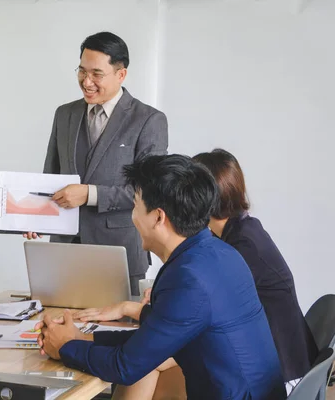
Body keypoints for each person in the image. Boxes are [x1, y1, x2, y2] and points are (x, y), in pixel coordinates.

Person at [36, 155, 286, 400]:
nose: (132, 216)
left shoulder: (190, 279)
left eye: (135, 205)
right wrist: (81, 338)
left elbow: (126, 367)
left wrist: (65, 347)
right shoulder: (217, 253)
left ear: (158, 217)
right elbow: (152, 339)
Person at [26, 31, 168, 295]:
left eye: (96, 74)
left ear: (121, 74)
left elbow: (148, 191)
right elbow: (50, 175)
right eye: (81, 71)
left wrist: (89, 194)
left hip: (119, 250)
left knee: (117, 331)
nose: (86, 81)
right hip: (63, 250)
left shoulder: (149, 120)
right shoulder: (64, 114)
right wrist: (36, 217)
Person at [194, 148, 317, 393]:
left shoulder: (243, 245)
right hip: (280, 364)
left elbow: (206, 309)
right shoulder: (243, 230)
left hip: (280, 377)